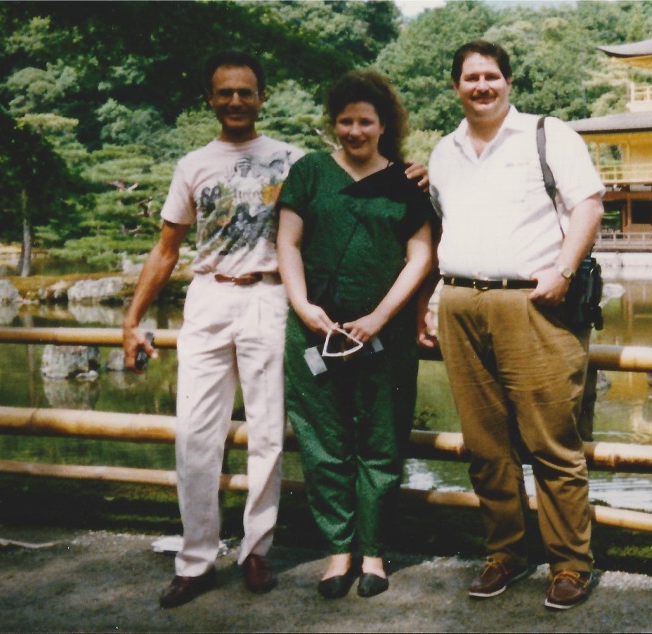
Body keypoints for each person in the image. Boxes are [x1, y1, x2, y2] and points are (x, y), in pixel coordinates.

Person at [426, 40, 606, 610]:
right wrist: (433, 301)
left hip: (533, 303)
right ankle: (506, 550)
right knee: (485, 445)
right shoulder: (443, 152)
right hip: (460, 301)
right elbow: (441, 224)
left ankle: (570, 563)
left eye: (492, 76)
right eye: (470, 78)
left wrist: (563, 269)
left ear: (508, 82)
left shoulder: (547, 136)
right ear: (455, 86)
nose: (482, 86)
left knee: (552, 442)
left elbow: (589, 206)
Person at [122, 50, 303, 609]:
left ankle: (256, 550)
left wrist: (409, 170)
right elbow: (166, 249)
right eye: (224, 92)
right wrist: (132, 319)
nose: (235, 102)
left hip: (270, 296)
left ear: (262, 97)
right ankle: (196, 558)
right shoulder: (192, 165)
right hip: (208, 297)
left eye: (245, 92)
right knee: (196, 432)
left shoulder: (295, 160)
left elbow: (349, 192)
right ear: (209, 98)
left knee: (268, 431)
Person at [275, 70, 434, 600]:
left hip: (382, 333)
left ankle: (373, 552)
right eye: (345, 120)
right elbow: (289, 243)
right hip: (313, 331)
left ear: (383, 124)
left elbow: (420, 256)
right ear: (334, 123)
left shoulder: (407, 182)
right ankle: (338, 550)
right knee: (323, 442)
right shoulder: (310, 172)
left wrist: (381, 316)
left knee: (382, 440)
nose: (355, 130)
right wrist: (303, 305)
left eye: (365, 121)